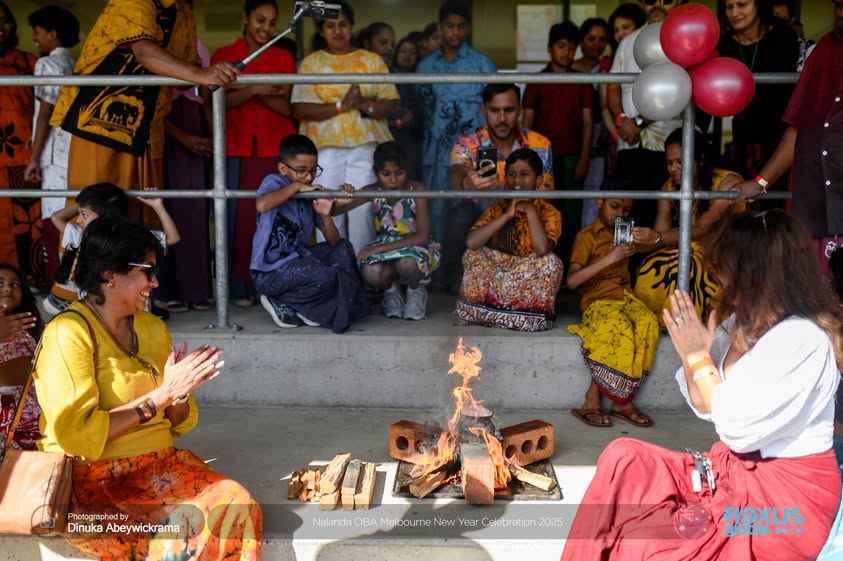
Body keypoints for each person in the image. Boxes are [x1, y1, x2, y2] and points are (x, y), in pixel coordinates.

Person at [560, 209, 843, 560]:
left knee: (644, 543)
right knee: (624, 458)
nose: (719, 282)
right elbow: (705, 406)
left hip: (783, 502)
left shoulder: (801, 338)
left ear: (756, 275)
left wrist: (698, 357)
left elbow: (737, 428)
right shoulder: (741, 322)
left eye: (727, 273)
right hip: (731, 473)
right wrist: (692, 354)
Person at [32, 217, 262, 560]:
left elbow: (177, 422)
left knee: (235, 503)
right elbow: (76, 435)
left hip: (162, 467)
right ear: (110, 274)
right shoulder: (68, 333)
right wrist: (162, 395)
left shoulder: (152, 327)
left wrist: (181, 391)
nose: (154, 283)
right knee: (178, 539)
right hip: (95, 483)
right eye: (147, 271)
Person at [49, 0, 240, 224]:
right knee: (92, 211)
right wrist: (201, 73)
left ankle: (138, 260)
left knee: (141, 216)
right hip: (99, 122)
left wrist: (208, 74)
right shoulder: (133, 1)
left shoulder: (183, 13)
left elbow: (183, 82)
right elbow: (144, 52)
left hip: (147, 128)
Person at [731, 0, 843, 273]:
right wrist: (759, 182)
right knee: (816, 298)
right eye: (838, 6)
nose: (840, 13)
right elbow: (798, 126)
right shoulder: (822, 51)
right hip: (815, 204)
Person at [291, 0, 399, 256]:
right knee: (327, 207)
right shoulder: (311, 63)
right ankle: (332, 273)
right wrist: (342, 106)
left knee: (361, 211)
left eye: (343, 24)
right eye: (330, 26)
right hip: (325, 149)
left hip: (365, 147)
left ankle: (364, 273)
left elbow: (391, 103)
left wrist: (361, 103)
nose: (337, 31)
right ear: (321, 30)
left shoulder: (371, 61)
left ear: (352, 26)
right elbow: (299, 109)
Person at [213, 0, 298, 307]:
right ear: (245, 17)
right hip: (235, 144)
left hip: (274, 146)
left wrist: (243, 90)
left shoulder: (284, 57)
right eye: (260, 20)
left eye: (272, 22)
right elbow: (217, 100)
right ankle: (237, 288)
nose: (266, 28)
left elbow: (285, 105)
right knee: (236, 217)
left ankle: (273, 285)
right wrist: (258, 90)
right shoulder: (223, 55)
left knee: (275, 218)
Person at [251, 135, 369, 334]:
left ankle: (309, 308)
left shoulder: (310, 193)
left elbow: (333, 241)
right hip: (270, 272)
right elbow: (262, 204)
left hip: (299, 263)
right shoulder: (275, 181)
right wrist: (297, 187)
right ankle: (279, 300)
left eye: (313, 170)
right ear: (283, 169)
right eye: (302, 171)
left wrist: (325, 214)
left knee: (343, 249)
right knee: (323, 276)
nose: (308, 177)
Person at [443, 83, 554, 292]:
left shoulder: (540, 144)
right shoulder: (469, 143)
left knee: (550, 216)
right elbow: (455, 173)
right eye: (495, 110)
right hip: (482, 224)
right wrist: (466, 183)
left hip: (524, 221)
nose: (502, 118)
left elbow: (547, 197)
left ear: (520, 109)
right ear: (484, 110)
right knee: (459, 214)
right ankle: (458, 285)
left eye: (509, 110)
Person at [632, 129, 744, 325]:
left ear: (699, 158)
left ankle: (686, 323)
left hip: (728, 253)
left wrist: (657, 237)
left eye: (680, 162)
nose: (673, 168)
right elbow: (661, 238)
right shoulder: (669, 187)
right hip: (689, 249)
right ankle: (664, 321)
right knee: (652, 268)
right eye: (669, 163)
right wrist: (636, 242)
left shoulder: (727, 183)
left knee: (690, 262)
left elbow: (702, 229)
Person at [567, 189, 657, 428]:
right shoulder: (586, 236)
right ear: (599, 202)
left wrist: (653, 238)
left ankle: (616, 402)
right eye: (614, 207)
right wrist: (610, 258)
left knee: (648, 321)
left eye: (626, 210)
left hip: (627, 299)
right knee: (619, 327)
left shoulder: (626, 237)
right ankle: (616, 402)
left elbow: (657, 245)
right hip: (598, 302)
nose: (620, 214)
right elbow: (572, 281)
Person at [454, 148, 563, 332]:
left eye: (524, 174)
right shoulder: (498, 208)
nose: (517, 181)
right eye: (511, 174)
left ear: (538, 180)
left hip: (526, 280)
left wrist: (529, 210)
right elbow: (472, 243)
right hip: (500, 278)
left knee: (552, 263)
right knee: (472, 255)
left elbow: (542, 249)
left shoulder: (549, 212)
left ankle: (500, 316)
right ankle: (505, 315)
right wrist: (507, 215)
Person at [416, 0, 496, 241]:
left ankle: (478, 266)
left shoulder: (482, 64)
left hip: (480, 149)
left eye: (461, 26)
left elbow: (494, 106)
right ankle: (440, 269)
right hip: (438, 150)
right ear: (440, 27)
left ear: (468, 28)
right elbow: (423, 108)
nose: (455, 32)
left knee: (482, 205)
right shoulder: (426, 66)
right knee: (438, 207)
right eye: (450, 26)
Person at [334, 141, 440, 320]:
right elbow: (334, 211)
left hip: (414, 246)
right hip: (387, 247)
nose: (393, 180)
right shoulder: (372, 191)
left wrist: (378, 249)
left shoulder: (417, 190)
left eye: (399, 173)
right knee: (370, 270)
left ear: (407, 170)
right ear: (376, 173)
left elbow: (422, 237)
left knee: (407, 262)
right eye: (386, 174)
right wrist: (342, 196)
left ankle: (416, 291)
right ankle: (391, 291)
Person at [45, 183, 181, 318]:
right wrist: (86, 201)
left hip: (135, 314)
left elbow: (173, 238)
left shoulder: (135, 239)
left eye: (84, 215)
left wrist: (158, 205)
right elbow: (56, 217)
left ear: (106, 215)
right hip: (96, 314)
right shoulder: (82, 236)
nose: (79, 220)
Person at [157, 0, 215, 313]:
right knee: (163, 209)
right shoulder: (154, 43)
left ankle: (196, 291)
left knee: (194, 212)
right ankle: (167, 290)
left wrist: (210, 137)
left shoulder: (198, 45)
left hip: (192, 120)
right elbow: (154, 98)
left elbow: (204, 96)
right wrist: (185, 138)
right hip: (164, 126)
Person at [522, 21, 593, 267]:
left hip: (573, 154)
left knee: (572, 215)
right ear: (550, 48)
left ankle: (567, 268)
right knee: (544, 211)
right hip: (542, 158)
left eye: (572, 48)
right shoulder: (537, 81)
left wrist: (584, 159)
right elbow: (527, 124)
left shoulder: (581, 82)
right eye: (561, 46)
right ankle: (544, 266)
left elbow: (587, 124)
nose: (566, 52)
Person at [607, 0, 682, 230]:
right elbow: (612, 87)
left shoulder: (682, 39)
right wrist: (621, 120)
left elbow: (674, 88)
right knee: (626, 212)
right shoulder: (629, 40)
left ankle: (658, 266)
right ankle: (624, 264)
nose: (657, 4)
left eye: (666, 0)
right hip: (629, 145)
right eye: (651, 0)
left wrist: (638, 123)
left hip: (667, 149)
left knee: (662, 217)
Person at [717, 0, 799, 211]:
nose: (734, 12)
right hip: (745, 138)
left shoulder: (783, 36)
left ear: (759, 5)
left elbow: (783, 94)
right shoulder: (724, 45)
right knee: (747, 207)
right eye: (729, 7)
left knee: (780, 206)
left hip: (781, 137)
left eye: (742, 5)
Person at [23, 5, 79, 286]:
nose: (35, 38)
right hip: (73, 151)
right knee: (71, 218)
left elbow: (45, 115)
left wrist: (33, 158)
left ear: (53, 34)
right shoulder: (75, 62)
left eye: (38, 32)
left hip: (55, 153)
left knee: (53, 220)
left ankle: (57, 286)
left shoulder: (46, 64)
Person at [0, 1, 40, 288]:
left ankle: (29, 282)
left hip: (24, 159)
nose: (1, 28)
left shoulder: (28, 62)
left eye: (5, 22)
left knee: (30, 227)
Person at [0, 264, 44, 450]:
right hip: (6, 431)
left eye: (15, 284)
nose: (8, 288)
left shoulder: (30, 331)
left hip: (37, 424)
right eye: (0, 284)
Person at [389, 34, 424, 182]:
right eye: (403, 51)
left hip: (412, 140)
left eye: (412, 52)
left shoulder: (421, 79)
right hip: (390, 137)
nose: (407, 55)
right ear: (396, 53)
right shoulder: (387, 77)